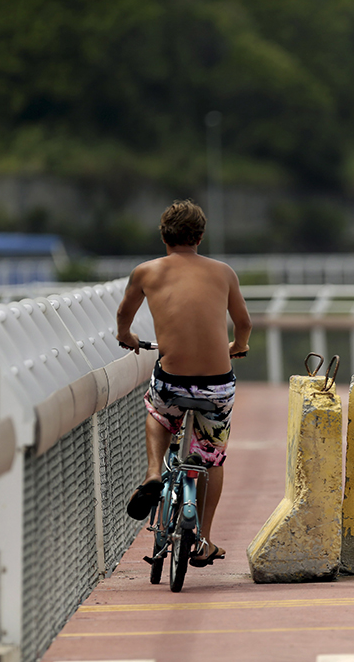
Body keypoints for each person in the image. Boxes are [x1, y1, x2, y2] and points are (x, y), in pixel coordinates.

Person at [116, 199, 252, 568]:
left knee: (158, 413)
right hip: (216, 386)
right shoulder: (223, 272)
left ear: (163, 235)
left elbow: (123, 318)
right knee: (212, 456)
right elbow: (243, 323)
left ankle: (153, 473)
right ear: (201, 237)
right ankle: (204, 539)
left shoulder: (145, 272)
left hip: (173, 381)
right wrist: (238, 346)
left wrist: (126, 336)